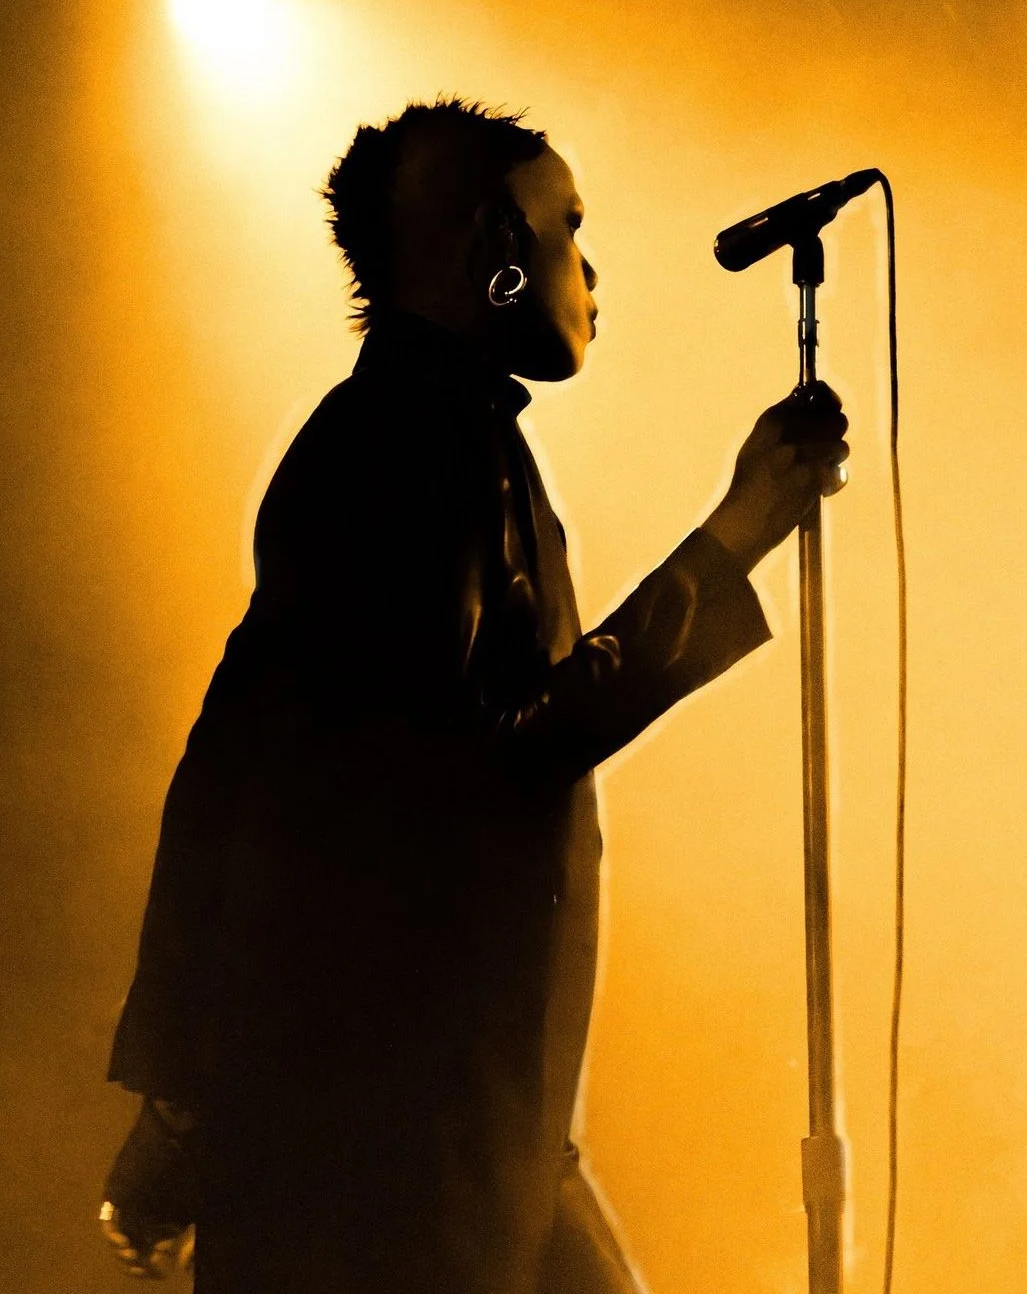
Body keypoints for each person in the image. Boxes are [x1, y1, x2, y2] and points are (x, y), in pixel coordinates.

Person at [99, 99, 848, 1293]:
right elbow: (475, 764)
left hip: (456, 1111)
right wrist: (730, 541)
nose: (589, 270)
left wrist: (184, 1092)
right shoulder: (404, 450)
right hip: (391, 1143)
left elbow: (229, 763)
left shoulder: (428, 441)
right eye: (567, 228)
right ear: (497, 251)